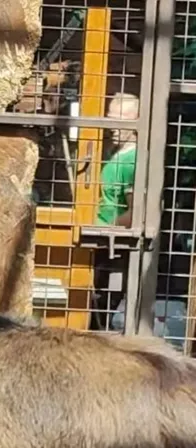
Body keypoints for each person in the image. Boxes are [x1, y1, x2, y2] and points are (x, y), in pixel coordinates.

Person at [90, 92, 139, 331]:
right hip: (100, 239)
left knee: (100, 307)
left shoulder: (132, 162)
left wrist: (105, 227)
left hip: (112, 243)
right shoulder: (114, 154)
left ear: (137, 121)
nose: (113, 127)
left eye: (122, 120)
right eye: (110, 119)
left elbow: (135, 212)